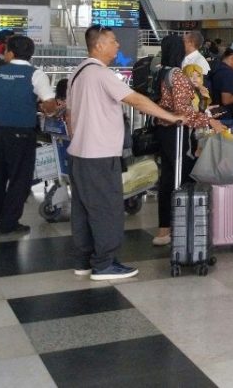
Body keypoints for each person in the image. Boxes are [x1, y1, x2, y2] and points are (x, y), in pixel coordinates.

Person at [65, 25, 183, 281]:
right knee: (107, 209)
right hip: (99, 155)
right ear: (99, 45)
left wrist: (80, 138)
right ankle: (104, 264)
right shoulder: (101, 73)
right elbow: (136, 100)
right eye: (113, 41)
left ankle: (84, 261)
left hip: (79, 154)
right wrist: (170, 116)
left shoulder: (77, 72)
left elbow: (69, 114)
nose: (117, 45)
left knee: (83, 210)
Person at [152, 35, 228, 246]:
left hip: (162, 130)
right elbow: (183, 111)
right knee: (185, 176)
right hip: (177, 133)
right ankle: (184, 227)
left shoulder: (159, 71)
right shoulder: (177, 75)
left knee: (168, 178)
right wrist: (208, 121)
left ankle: (164, 229)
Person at [0, 35, 58, 234]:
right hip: (21, 133)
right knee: (20, 178)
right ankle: (8, 222)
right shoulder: (36, 75)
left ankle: (0, 218)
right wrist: (44, 108)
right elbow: (49, 104)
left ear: (10, 52)